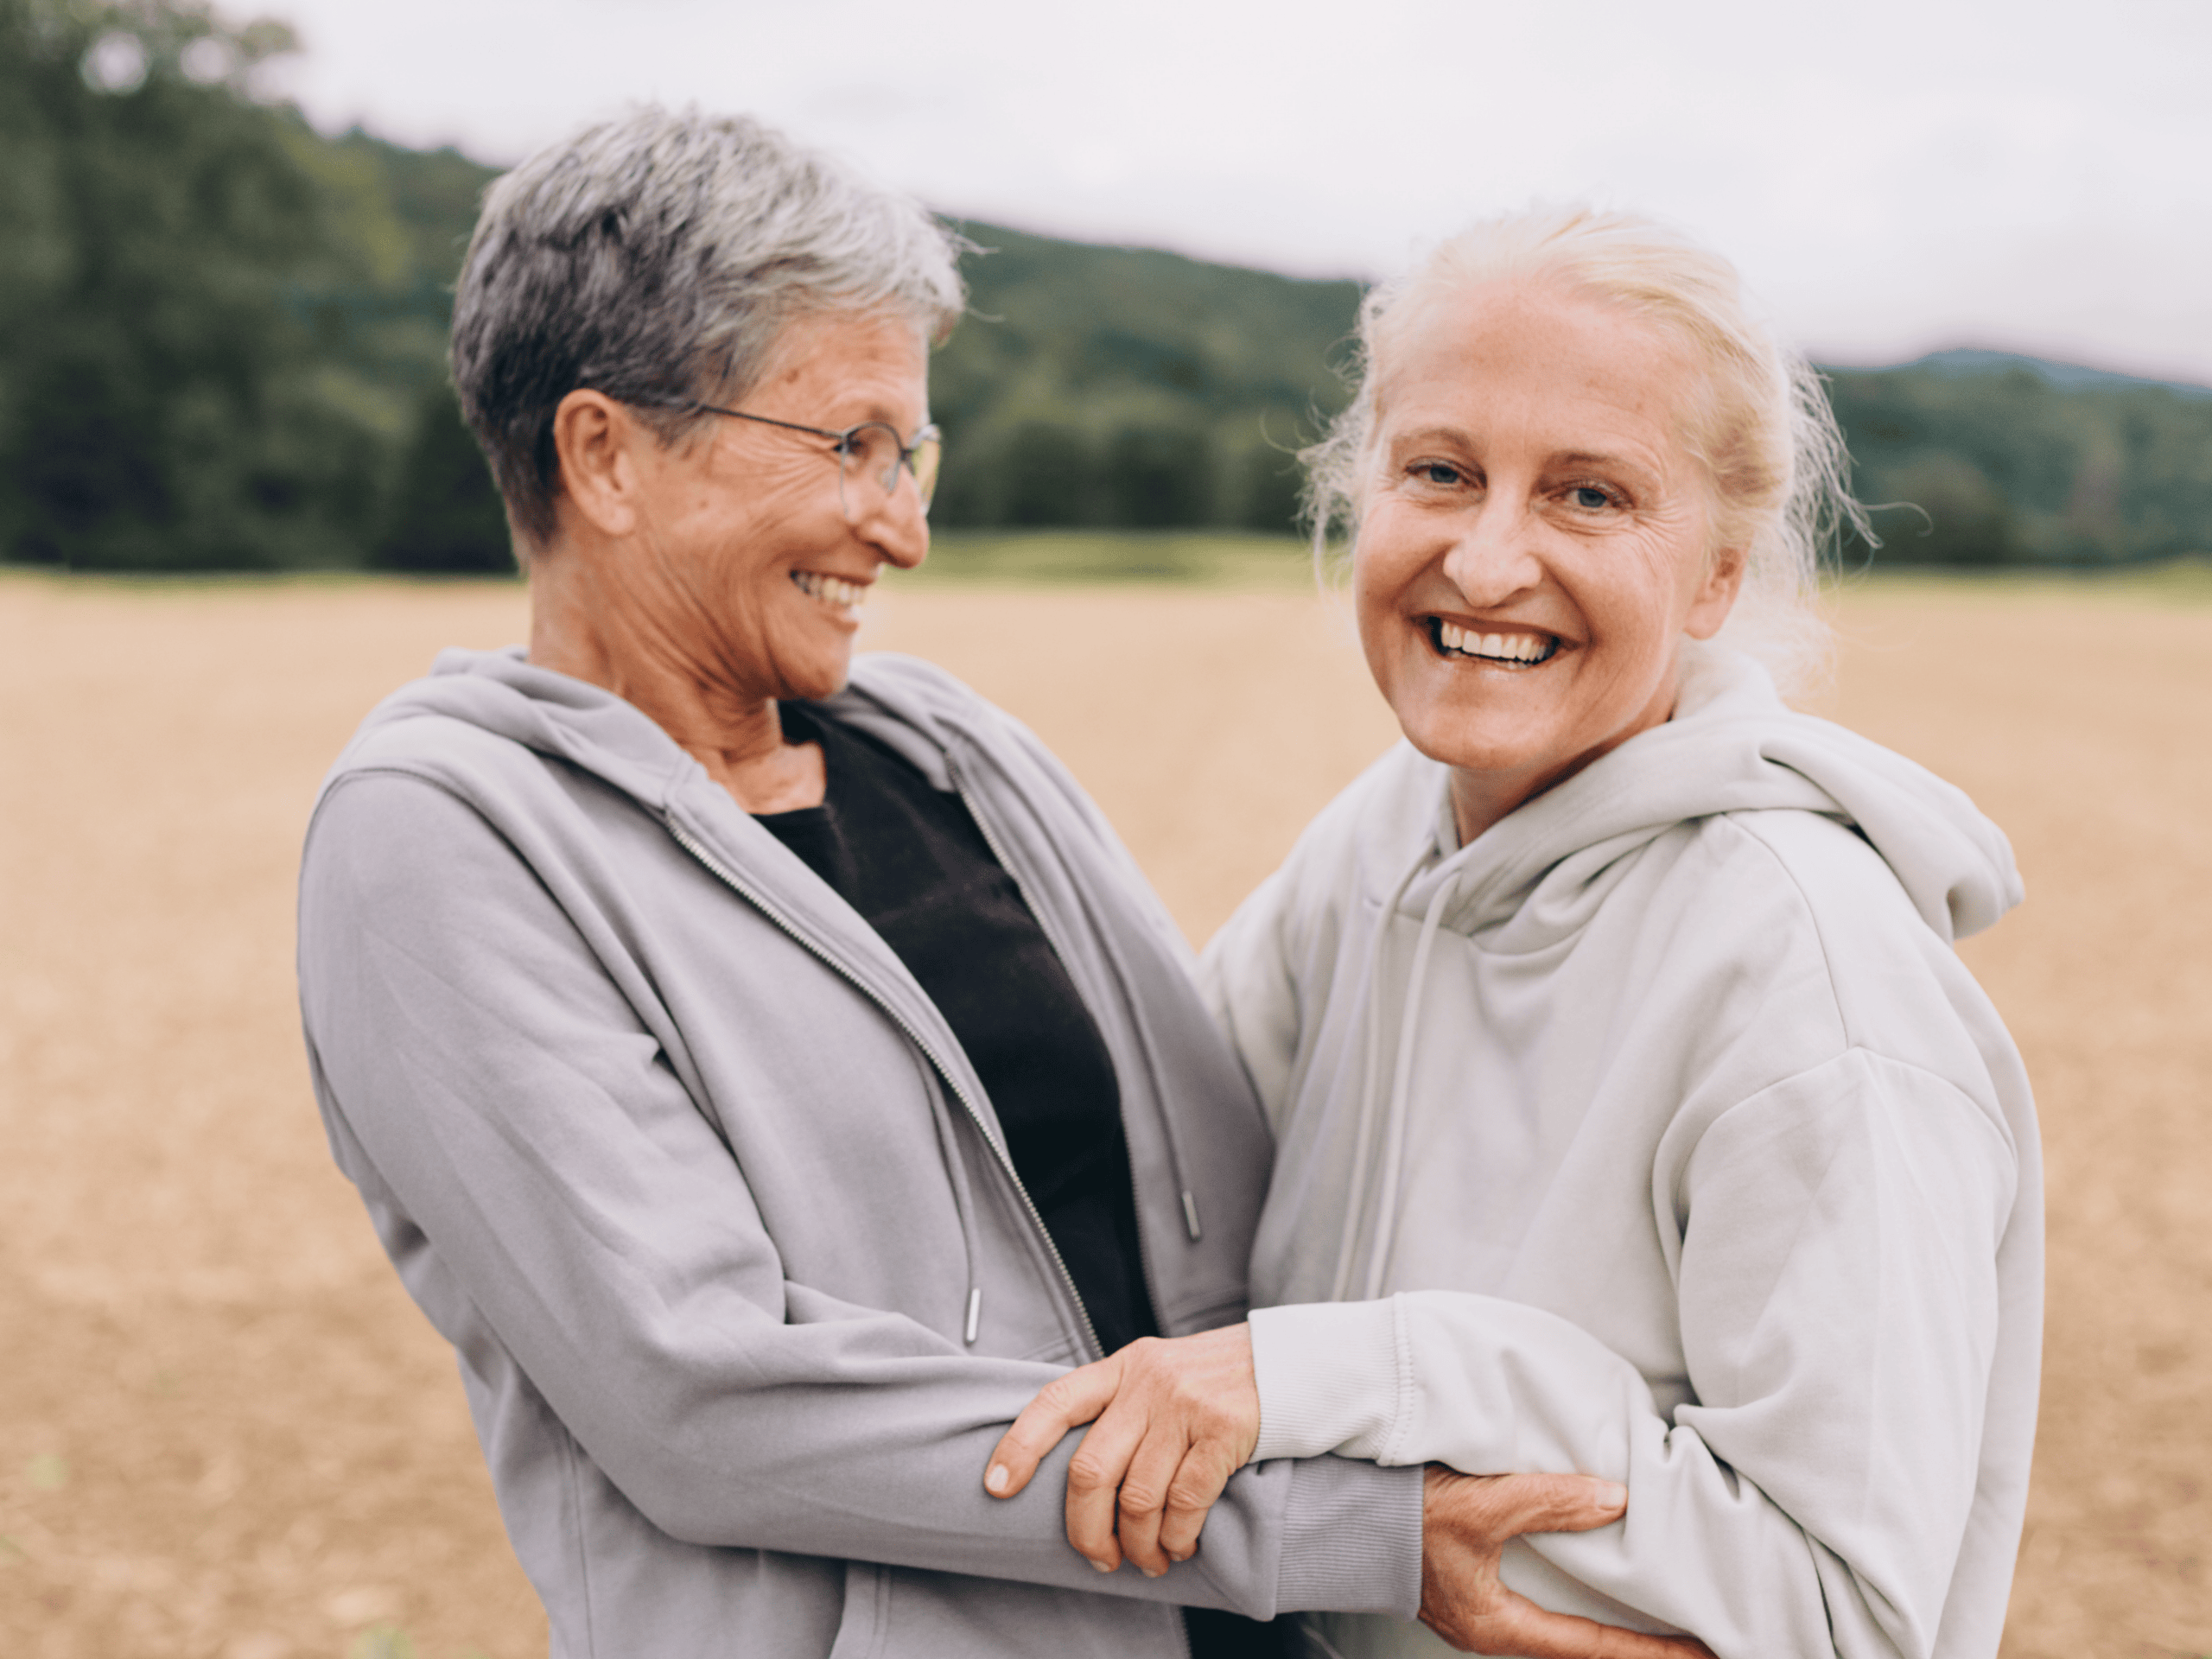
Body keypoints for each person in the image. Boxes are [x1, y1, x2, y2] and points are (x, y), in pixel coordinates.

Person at [296, 113, 1708, 1659]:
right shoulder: (439, 839)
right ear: (605, 455)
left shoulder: (950, 748)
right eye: (848, 446)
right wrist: (1330, 1530)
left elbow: (1235, 1181)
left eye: (912, 451)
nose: (902, 525)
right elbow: (701, 1397)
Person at [984, 208, 2043, 1659]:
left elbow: (1842, 1621)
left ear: (1719, 571)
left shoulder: (1815, 989)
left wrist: (1377, 1371)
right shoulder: (1384, 838)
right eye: (1442, 472)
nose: (1485, 564)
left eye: (1589, 496)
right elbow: (1163, 1218)